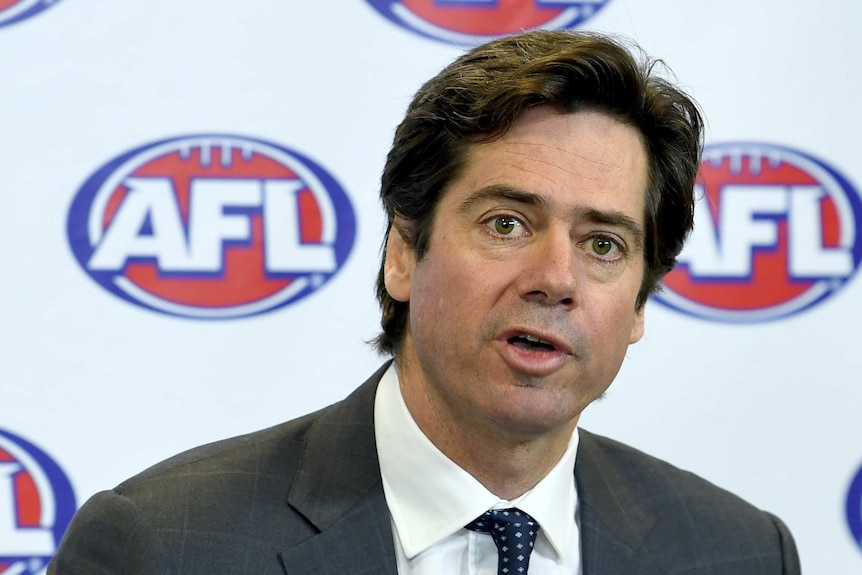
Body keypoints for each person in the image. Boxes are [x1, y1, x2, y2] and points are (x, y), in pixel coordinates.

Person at [49, 30, 801, 575]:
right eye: (507, 223)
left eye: (604, 243)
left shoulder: (738, 552)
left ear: (639, 303)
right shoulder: (165, 546)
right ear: (404, 251)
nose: (555, 277)